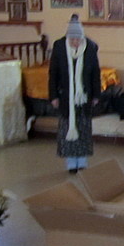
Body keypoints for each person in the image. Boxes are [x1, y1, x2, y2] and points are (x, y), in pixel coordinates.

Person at [48, 14, 101, 174]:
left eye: (78, 39)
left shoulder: (90, 47)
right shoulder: (59, 47)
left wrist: (96, 95)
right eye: (72, 39)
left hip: (84, 97)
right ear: (68, 38)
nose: (75, 42)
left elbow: (95, 74)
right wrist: (53, 96)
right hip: (65, 97)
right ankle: (71, 164)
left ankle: (82, 162)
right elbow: (53, 74)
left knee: (83, 130)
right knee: (68, 130)